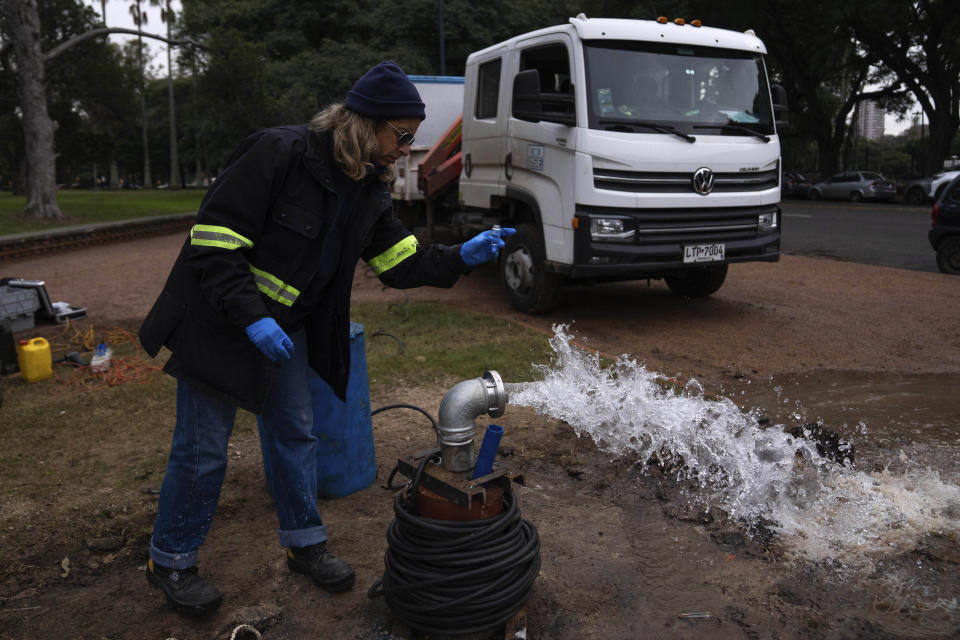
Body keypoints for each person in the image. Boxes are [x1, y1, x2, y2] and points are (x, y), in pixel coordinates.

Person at [138, 60, 515, 615]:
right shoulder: (276, 152)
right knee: (202, 453)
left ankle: (305, 546)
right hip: (218, 327)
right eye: (402, 136)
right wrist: (251, 316)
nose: (406, 149)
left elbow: (397, 260)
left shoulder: (368, 187)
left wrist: (460, 256)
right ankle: (169, 561)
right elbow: (214, 242)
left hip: (283, 333)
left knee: (296, 436)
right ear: (367, 123)